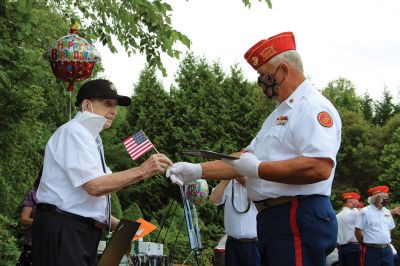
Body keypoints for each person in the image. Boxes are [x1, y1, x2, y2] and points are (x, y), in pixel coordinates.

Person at [167, 31, 342, 266]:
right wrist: (197, 170)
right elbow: (242, 158)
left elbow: (319, 167)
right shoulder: (278, 114)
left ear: (283, 70)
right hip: (275, 219)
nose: (261, 84)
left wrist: (259, 169)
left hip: (296, 215)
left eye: (264, 75)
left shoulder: (311, 107)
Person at [32, 79, 173, 266]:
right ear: (87, 105)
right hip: (64, 228)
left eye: (115, 105)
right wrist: (143, 170)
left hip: (76, 229)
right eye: (107, 103)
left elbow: (90, 193)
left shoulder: (92, 138)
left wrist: (116, 225)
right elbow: (95, 186)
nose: (114, 111)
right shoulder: (75, 132)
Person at [209, 177, 260, 266]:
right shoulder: (228, 183)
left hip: (254, 244)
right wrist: (227, 177)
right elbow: (213, 199)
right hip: (232, 243)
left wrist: (245, 183)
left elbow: (263, 200)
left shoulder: (256, 180)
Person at [355, 185, 395, 266]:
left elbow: (390, 229)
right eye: (383, 197)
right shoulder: (364, 212)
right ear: (375, 199)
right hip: (371, 250)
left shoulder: (387, 212)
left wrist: (385, 240)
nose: (386, 200)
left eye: (387, 197)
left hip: (387, 250)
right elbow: (357, 231)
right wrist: (365, 243)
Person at [16, 168, 42, 266]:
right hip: (32, 242)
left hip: (50, 245)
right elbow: (23, 219)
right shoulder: (33, 193)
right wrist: (44, 222)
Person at [336, 191, 361, 266]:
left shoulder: (337, 216)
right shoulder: (354, 213)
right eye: (356, 202)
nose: (358, 204)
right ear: (349, 203)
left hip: (341, 249)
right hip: (354, 248)